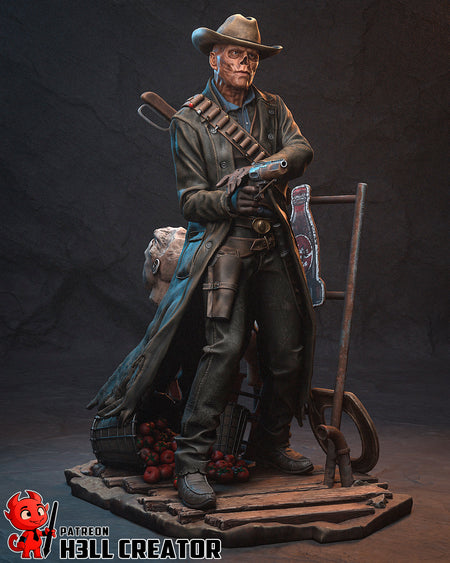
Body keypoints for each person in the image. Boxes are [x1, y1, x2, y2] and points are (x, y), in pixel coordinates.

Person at [88, 14, 315, 511]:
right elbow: (192, 202)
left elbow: (300, 150)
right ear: (214, 58)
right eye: (235, 54)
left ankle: (271, 443)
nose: (245, 63)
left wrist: (258, 170)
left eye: (252, 56)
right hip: (223, 248)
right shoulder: (190, 121)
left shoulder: (274, 109)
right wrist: (231, 202)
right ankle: (191, 463)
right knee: (224, 350)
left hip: (274, 246)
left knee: (287, 352)